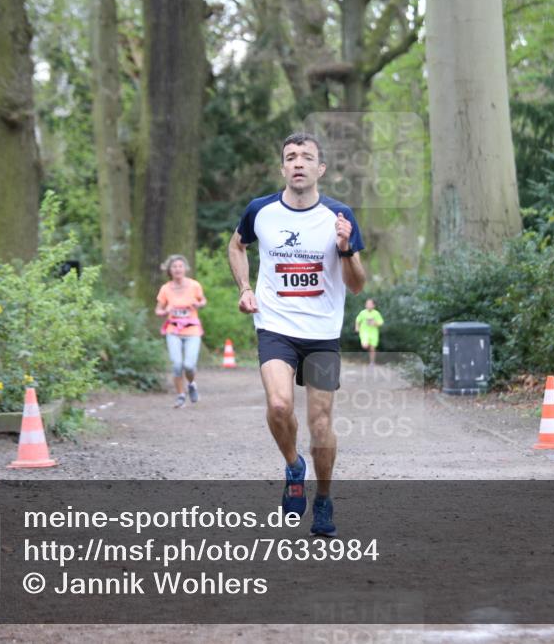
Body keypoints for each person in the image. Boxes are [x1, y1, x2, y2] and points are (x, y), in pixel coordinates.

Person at [228, 132, 365, 537]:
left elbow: (356, 285)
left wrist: (344, 248)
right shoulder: (261, 211)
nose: (299, 163)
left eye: (307, 157)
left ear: (320, 169)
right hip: (275, 326)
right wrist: (246, 289)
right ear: (283, 168)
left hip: (322, 333)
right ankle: (293, 467)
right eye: (291, 157)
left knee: (320, 425)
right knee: (278, 405)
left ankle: (323, 498)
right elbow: (237, 246)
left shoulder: (339, 216)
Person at [155, 255, 207, 408]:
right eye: (174, 266)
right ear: (169, 270)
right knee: (177, 365)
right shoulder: (165, 289)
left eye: (180, 266)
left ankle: (191, 384)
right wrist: (165, 311)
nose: (177, 269)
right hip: (173, 331)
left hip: (192, 331)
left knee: (189, 365)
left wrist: (198, 303)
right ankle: (180, 395)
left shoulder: (194, 285)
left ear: (185, 269)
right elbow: (157, 310)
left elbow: (203, 301)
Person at [354, 298, 384, 365]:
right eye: (367, 304)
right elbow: (357, 320)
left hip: (374, 333)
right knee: (365, 346)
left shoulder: (376, 313)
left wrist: (375, 323)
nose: (368, 305)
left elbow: (381, 323)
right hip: (364, 332)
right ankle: (367, 348)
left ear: (374, 305)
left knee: (372, 348)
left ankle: (372, 362)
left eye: (370, 304)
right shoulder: (362, 313)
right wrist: (357, 328)